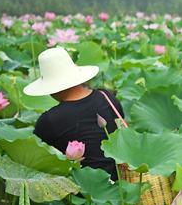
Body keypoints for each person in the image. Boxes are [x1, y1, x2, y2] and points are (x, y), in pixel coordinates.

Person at [24, 46, 124, 179]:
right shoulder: (107, 97)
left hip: (80, 190)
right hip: (122, 183)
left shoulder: (50, 120)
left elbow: (36, 159)